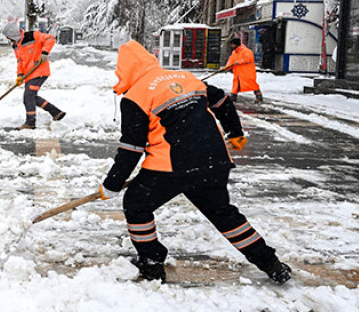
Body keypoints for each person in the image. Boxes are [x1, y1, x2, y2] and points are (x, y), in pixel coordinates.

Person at [99, 40, 290, 284]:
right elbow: (221, 100)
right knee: (224, 215)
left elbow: (131, 148)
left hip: (171, 166)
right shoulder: (186, 77)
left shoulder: (135, 96)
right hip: (214, 160)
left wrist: (113, 184)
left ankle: (152, 263)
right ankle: (271, 263)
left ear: (125, 70)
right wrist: (235, 132)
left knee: (136, 204)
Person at [1, 22, 66, 129]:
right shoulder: (16, 46)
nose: (7, 38)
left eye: (7, 36)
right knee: (31, 97)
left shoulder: (32, 36)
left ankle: (30, 122)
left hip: (39, 71)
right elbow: (20, 62)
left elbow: (50, 38)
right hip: (29, 75)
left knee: (28, 96)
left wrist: (44, 53)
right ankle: (56, 112)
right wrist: (20, 75)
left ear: (11, 33)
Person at [226, 37, 263, 103]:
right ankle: (233, 96)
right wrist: (227, 67)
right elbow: (231, 61)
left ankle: (259, 96)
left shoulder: (246, 51)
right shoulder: (234, 52)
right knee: (236, 84)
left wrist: (238, 62)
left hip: (247, 72)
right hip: (238, 72)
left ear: (236, 44)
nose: (231, 46)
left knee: (252, 84)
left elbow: (248, 58)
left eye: (232, 44)